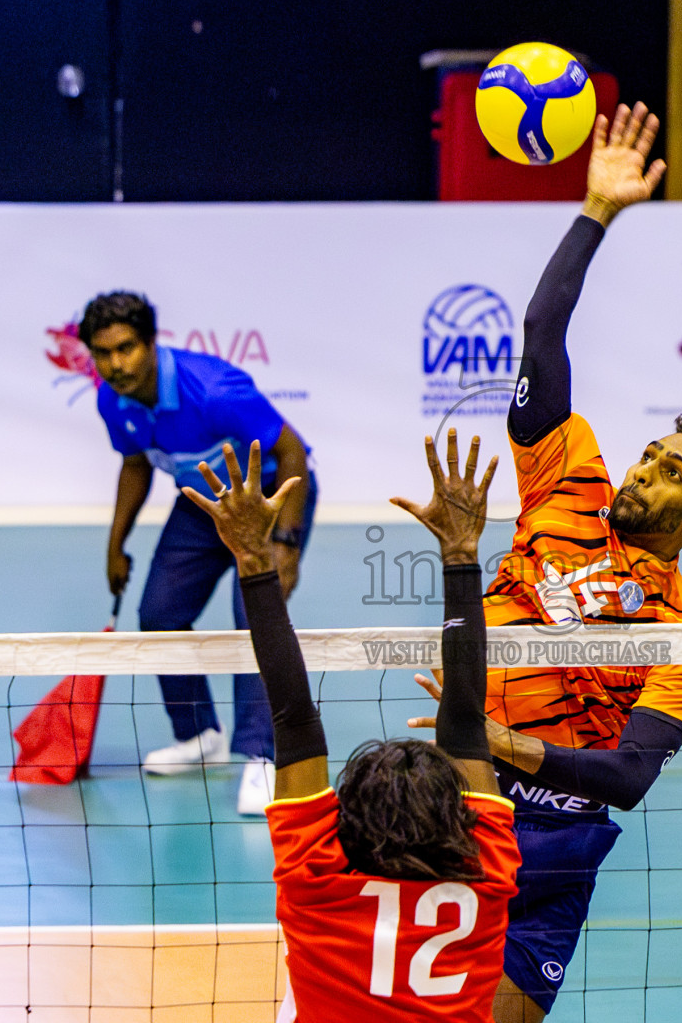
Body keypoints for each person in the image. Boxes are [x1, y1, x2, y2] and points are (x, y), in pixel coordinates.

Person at [410, 102, 682, 1021]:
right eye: (650, 454)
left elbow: (628, 779)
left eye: (672, 473)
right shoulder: (570, 482)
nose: (644, 471)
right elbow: (543, 330)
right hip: (461, 798)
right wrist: (598, 208)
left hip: (558, 841)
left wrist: (513, 742)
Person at [182, 433, 519, 1022]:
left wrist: (253, 559)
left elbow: (290, 716)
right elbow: (466, 723)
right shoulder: (486, 870)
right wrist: (463, 551)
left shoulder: (317, 874)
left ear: (347, 821)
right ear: (456, 814)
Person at [80, 291, 316, 815]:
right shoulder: (111, 400)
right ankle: (200, 736)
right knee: (160, 614)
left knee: (255, 619)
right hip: (202, 504)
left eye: (125, 349)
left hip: (266, 498)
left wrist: (287, 543)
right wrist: (115, 544)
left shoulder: (211, 391)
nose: (115, 364)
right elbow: (137, 465)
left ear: (150, 344)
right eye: (103, 353)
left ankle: (262, 756)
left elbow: (293, 450)